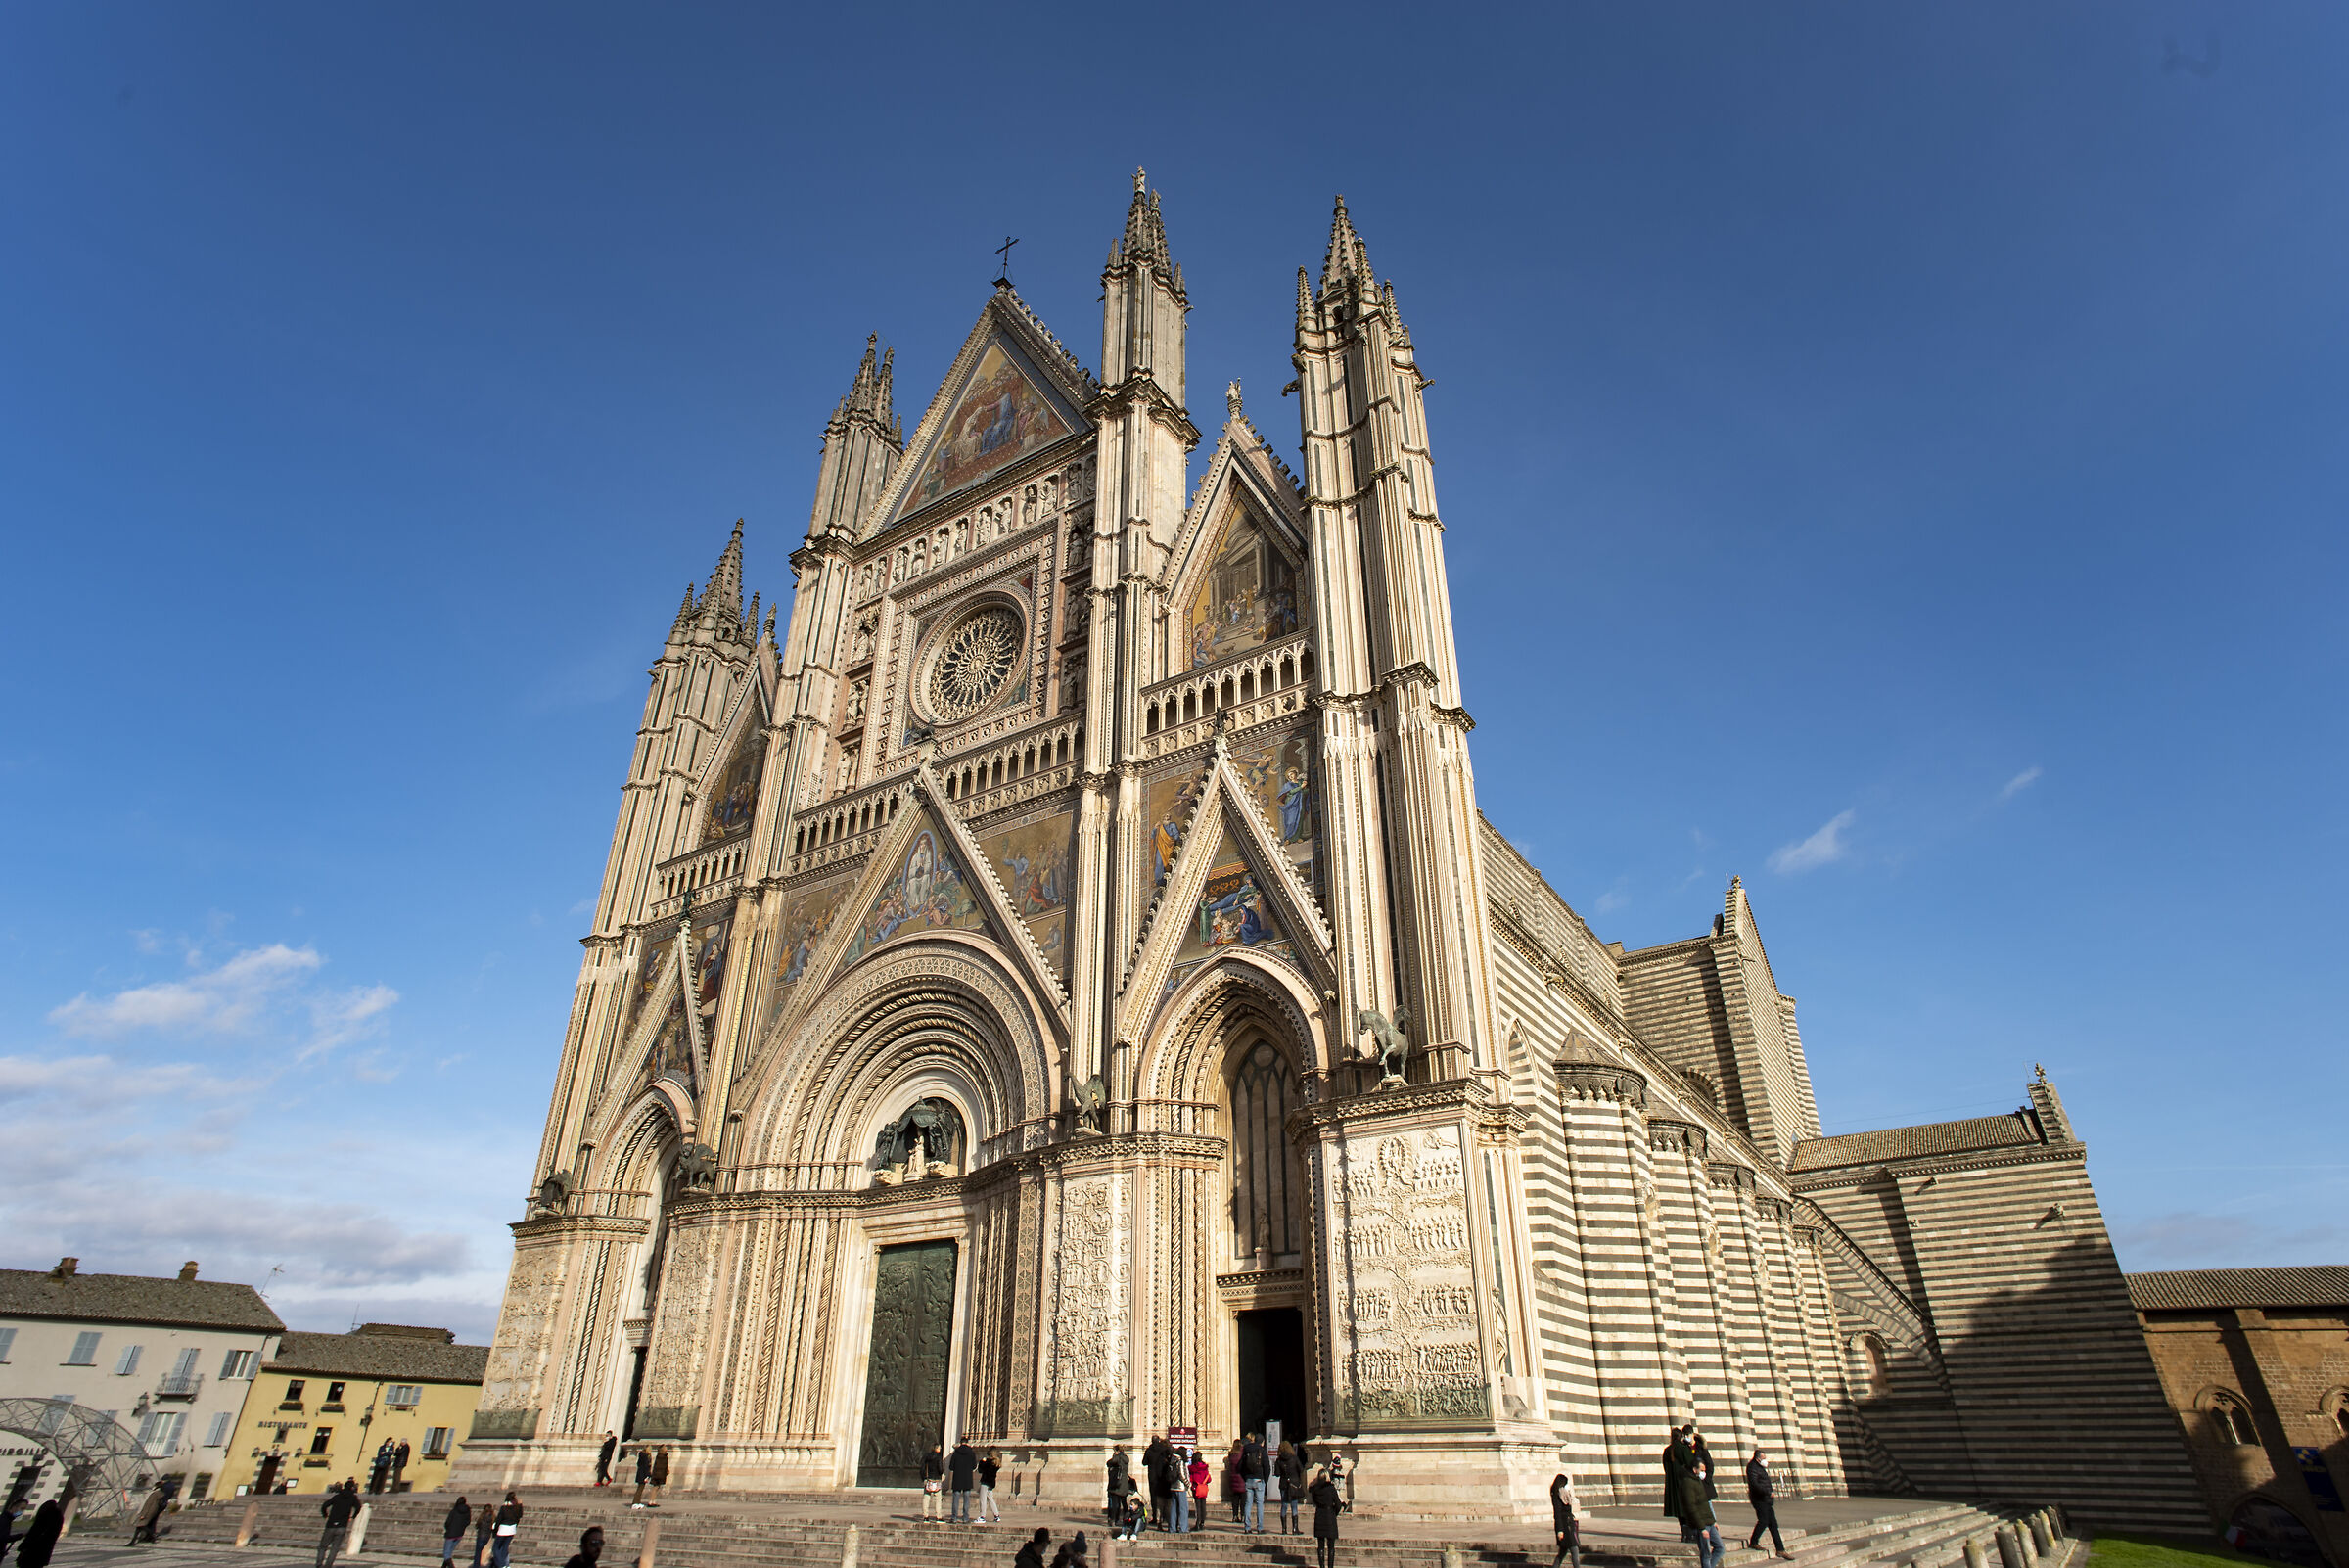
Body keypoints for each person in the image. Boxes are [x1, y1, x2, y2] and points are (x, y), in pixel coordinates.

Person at [1665, 1428, 1723, 1568]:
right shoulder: (1683, 1450)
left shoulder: (1667, 1450)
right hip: (1682, 1483)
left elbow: (1666, 1467)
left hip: (1673, 1483)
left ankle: (1685, 1534)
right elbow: (1691, 1461)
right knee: (1687, 1508)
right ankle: (1690, 1534)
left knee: (1680, 1510)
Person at [1746, 1449, 1790, 1559]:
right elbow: (1754, 1484)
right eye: (1763, 1458)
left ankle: (1780, 1549)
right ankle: (1754, 1541)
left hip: (1765, 1500)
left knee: (1773, 1524)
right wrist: (1767, 1492)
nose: (1765, 1461)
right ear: (1757, 1459)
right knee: (1764, 1521)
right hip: (1759, 1499)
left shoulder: (1759, 1468)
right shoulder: (1752, 1468)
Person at [318, 1479, 363, 1568]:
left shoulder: (337, 1496)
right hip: (342, 1524)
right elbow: (358, 1507)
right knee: (335, 1548)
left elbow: (324, 1505)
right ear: (352, 1488)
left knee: (323, 1546)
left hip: (331, 1524)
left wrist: (325, 1515)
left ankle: (319, 1564)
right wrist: (352, 1517)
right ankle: (328, 1565)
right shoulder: (353, 1498)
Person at [1309, 1464, 1345, 1568]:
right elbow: (1338, 1504)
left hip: (1320, 1514)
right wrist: (1335, 1513)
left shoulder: (1315, 1489)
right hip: (1329, 1515)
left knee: (1320, 1545)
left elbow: (1314, 1501)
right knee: (1331, 1546)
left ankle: (1322, 1566)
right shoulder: (1331, 1488)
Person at [15, 1499, 65, 1568]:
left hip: (31, 1554)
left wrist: (22, 1546)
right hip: (43, 1555)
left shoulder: (44, 1516)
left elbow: (34, 1534)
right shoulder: (58, 1519)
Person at [1549, 1462, 1581, 1568]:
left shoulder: (1565, 1495)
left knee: (1563, 1552)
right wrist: (1560, 1530)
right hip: (1564, 1527)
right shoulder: (1557, 1496)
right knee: (1574, 1550)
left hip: (1569, 1525)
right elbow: (1557, 1515)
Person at [128, 1478, 172, 1545]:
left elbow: (148, 1504)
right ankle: (133, 1541)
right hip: (151, 1512)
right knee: (139, 1527)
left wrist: (143, 1514)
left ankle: (153, 1536)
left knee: (141, 1526)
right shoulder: (160, 1494)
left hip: (147, 1512)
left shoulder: (154, 1494)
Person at [1241, 1429, 1267, 1534]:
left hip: (1248, 1480)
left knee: (1248, 1504)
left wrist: (1245, 1477)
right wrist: (1265, 1479)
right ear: (1262, 1442)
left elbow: (1241, 1466)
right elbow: (1267, 1467)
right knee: (1259, 1504)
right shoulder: (1262, 1451)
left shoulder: (1246, 1450)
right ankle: (1259, 1527)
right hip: (1259, 1479)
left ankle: (1247, 1527)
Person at [1274, 1440, 1304, 1535]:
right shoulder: (1294, 1458)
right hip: (1294, 1484)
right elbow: (1301, 1469)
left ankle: (1284, 1529)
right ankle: (1295, 1529)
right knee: (1294, 1506)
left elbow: (1277, 1474)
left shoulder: (1279, 1460)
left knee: (1284, 1505)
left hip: (1283, 1484)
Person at [948, 1436, 979, 1524]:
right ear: (967, 1442)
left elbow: (951, 1467)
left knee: (956, 1499)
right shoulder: (971, 1453)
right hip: (967, 1479)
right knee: (966, 1499)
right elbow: (974, 1466)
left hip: (957, 1478)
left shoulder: (956, 1453)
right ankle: (965, 1518)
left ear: (960, 1442)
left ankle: (954, 1517)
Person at [491, 1492, 525, 1568]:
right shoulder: (516, 1507)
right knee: (504, 1548)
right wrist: (520, 1505)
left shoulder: (504, 1507)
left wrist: (495, 1529)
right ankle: (505, 1564)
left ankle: (501, 1564)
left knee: (496, 1548)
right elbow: (520, 1515)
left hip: (503, 1529)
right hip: (512, 1529)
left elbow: (499, 1519)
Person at [441, 1498, 472, 1567]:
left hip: (451, 1534)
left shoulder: (454, 1511)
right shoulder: (467, 1511)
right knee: (449, 1552)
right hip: (459, 1534)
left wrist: (448, 1529)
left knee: (446, 1554)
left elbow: (448, 1522)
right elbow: (468, 1522)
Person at [1104, 1445, 1129, 1530]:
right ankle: (1127, 1519)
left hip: (1116, 1484)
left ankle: (1113, 1519)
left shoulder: (1117, 1458)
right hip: (1124, 1484)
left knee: (1115, 1503)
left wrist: (1115, 1455)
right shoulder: (1126, 1458)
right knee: (1124, 1503)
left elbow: (1108, 1463)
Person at [471, 1493, 499, 1567]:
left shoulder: (482, 1516)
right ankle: (482, 1564)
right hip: (487, 1536)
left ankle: (476, 1565)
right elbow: (494, 1527)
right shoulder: (493, 1517)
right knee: (484, 1550)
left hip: (480, 1535)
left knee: (478, 1552)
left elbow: (477, 1525)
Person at [976, 1448, 1003, 1525]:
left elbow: (980, 1470)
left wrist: (982, 1462)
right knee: (991, 1499)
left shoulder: (988, 1462)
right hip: (991, 1483)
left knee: (983, 1499)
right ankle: (996, 1515)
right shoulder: (997, 1463)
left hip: (985, 1482)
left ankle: (982, 1516)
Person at [921, 1444, 945, 1523]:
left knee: (926, 1497)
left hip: (928, 1479)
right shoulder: (938, 1457)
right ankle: (938, 1516)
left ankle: (925, 1516)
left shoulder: (926, 1457)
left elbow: (922, 1468)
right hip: (936, 1480)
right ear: (937, 1448)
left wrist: (924, 1478)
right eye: (939, 1447)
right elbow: (940, 1469)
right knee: (938, 1499)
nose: (940, 1448)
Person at [1187, 1447, 1210, 1531]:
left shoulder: (1192, 1469)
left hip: (1196, 1488)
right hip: (1203, 1488)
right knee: (1203, 1505)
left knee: (1198, 1506)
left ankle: (1198, 1522)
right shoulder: (1204, 1467)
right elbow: (1209, 1479)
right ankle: (1202, 1522)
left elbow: (1191, 1478)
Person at [1224, 1439, 1245, 1523]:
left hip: (1233, 1478)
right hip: (1242, 1478)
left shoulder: (1231, 1454)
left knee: (1235, 1499)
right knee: (1243, 1499)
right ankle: (1243, 1515)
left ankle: (1235, 1515)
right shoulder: (1242, 1454)